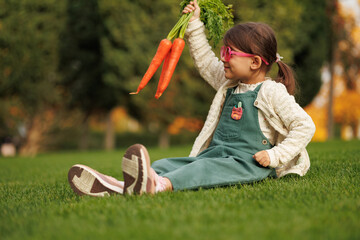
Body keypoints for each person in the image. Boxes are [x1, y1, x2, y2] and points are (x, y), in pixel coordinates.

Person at [68, 0, 315, 197]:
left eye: (230, 52)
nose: (224, 57)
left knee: (201, 168)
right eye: (223, 51)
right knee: (168, 162)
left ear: (254, 62)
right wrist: (195, 25)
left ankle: (157, 186)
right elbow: (206, 63)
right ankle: (121, 186)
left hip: (247, 163)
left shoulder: (271, 92)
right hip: (216, 155)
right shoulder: (229, 83)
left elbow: (305, 125)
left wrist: (275, 156)